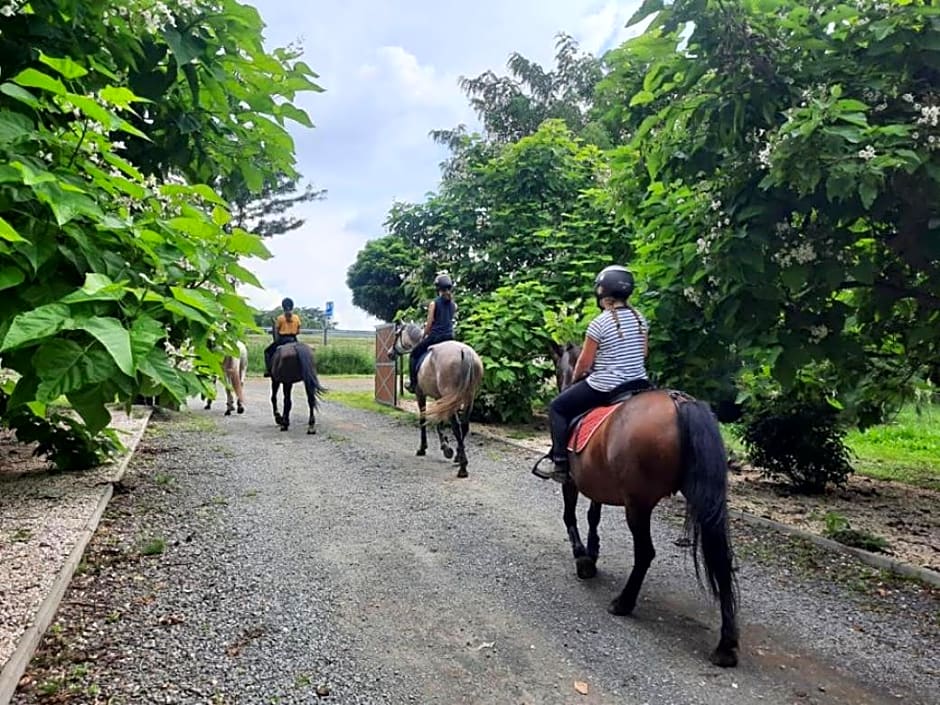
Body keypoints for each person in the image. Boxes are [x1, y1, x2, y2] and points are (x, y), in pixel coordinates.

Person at [536, 265, 650, 483]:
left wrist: (577, 378)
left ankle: (559, 461)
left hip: (607, 387)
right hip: (639, 384)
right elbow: (644, 353)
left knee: (557, 407)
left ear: (601, 291)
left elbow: (584, 363)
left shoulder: (600, 323)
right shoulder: (639, 319)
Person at [404, 273, 458, 393]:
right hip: (450, 337)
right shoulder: (454, 305)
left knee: (414, 354)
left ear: (437, 288)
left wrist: (424, 334)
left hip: (436, 337)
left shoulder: (434, 303)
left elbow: (429, 324)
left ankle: (413, 384)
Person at [263, 297, 302, 377]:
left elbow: (277, 331)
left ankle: (268, 370)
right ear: (292, 307)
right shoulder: (296, 318)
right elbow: (298, 331)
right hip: (294, 339)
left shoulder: (280, 318)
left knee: (267, 352)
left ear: (283, 307)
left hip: (283, 340)